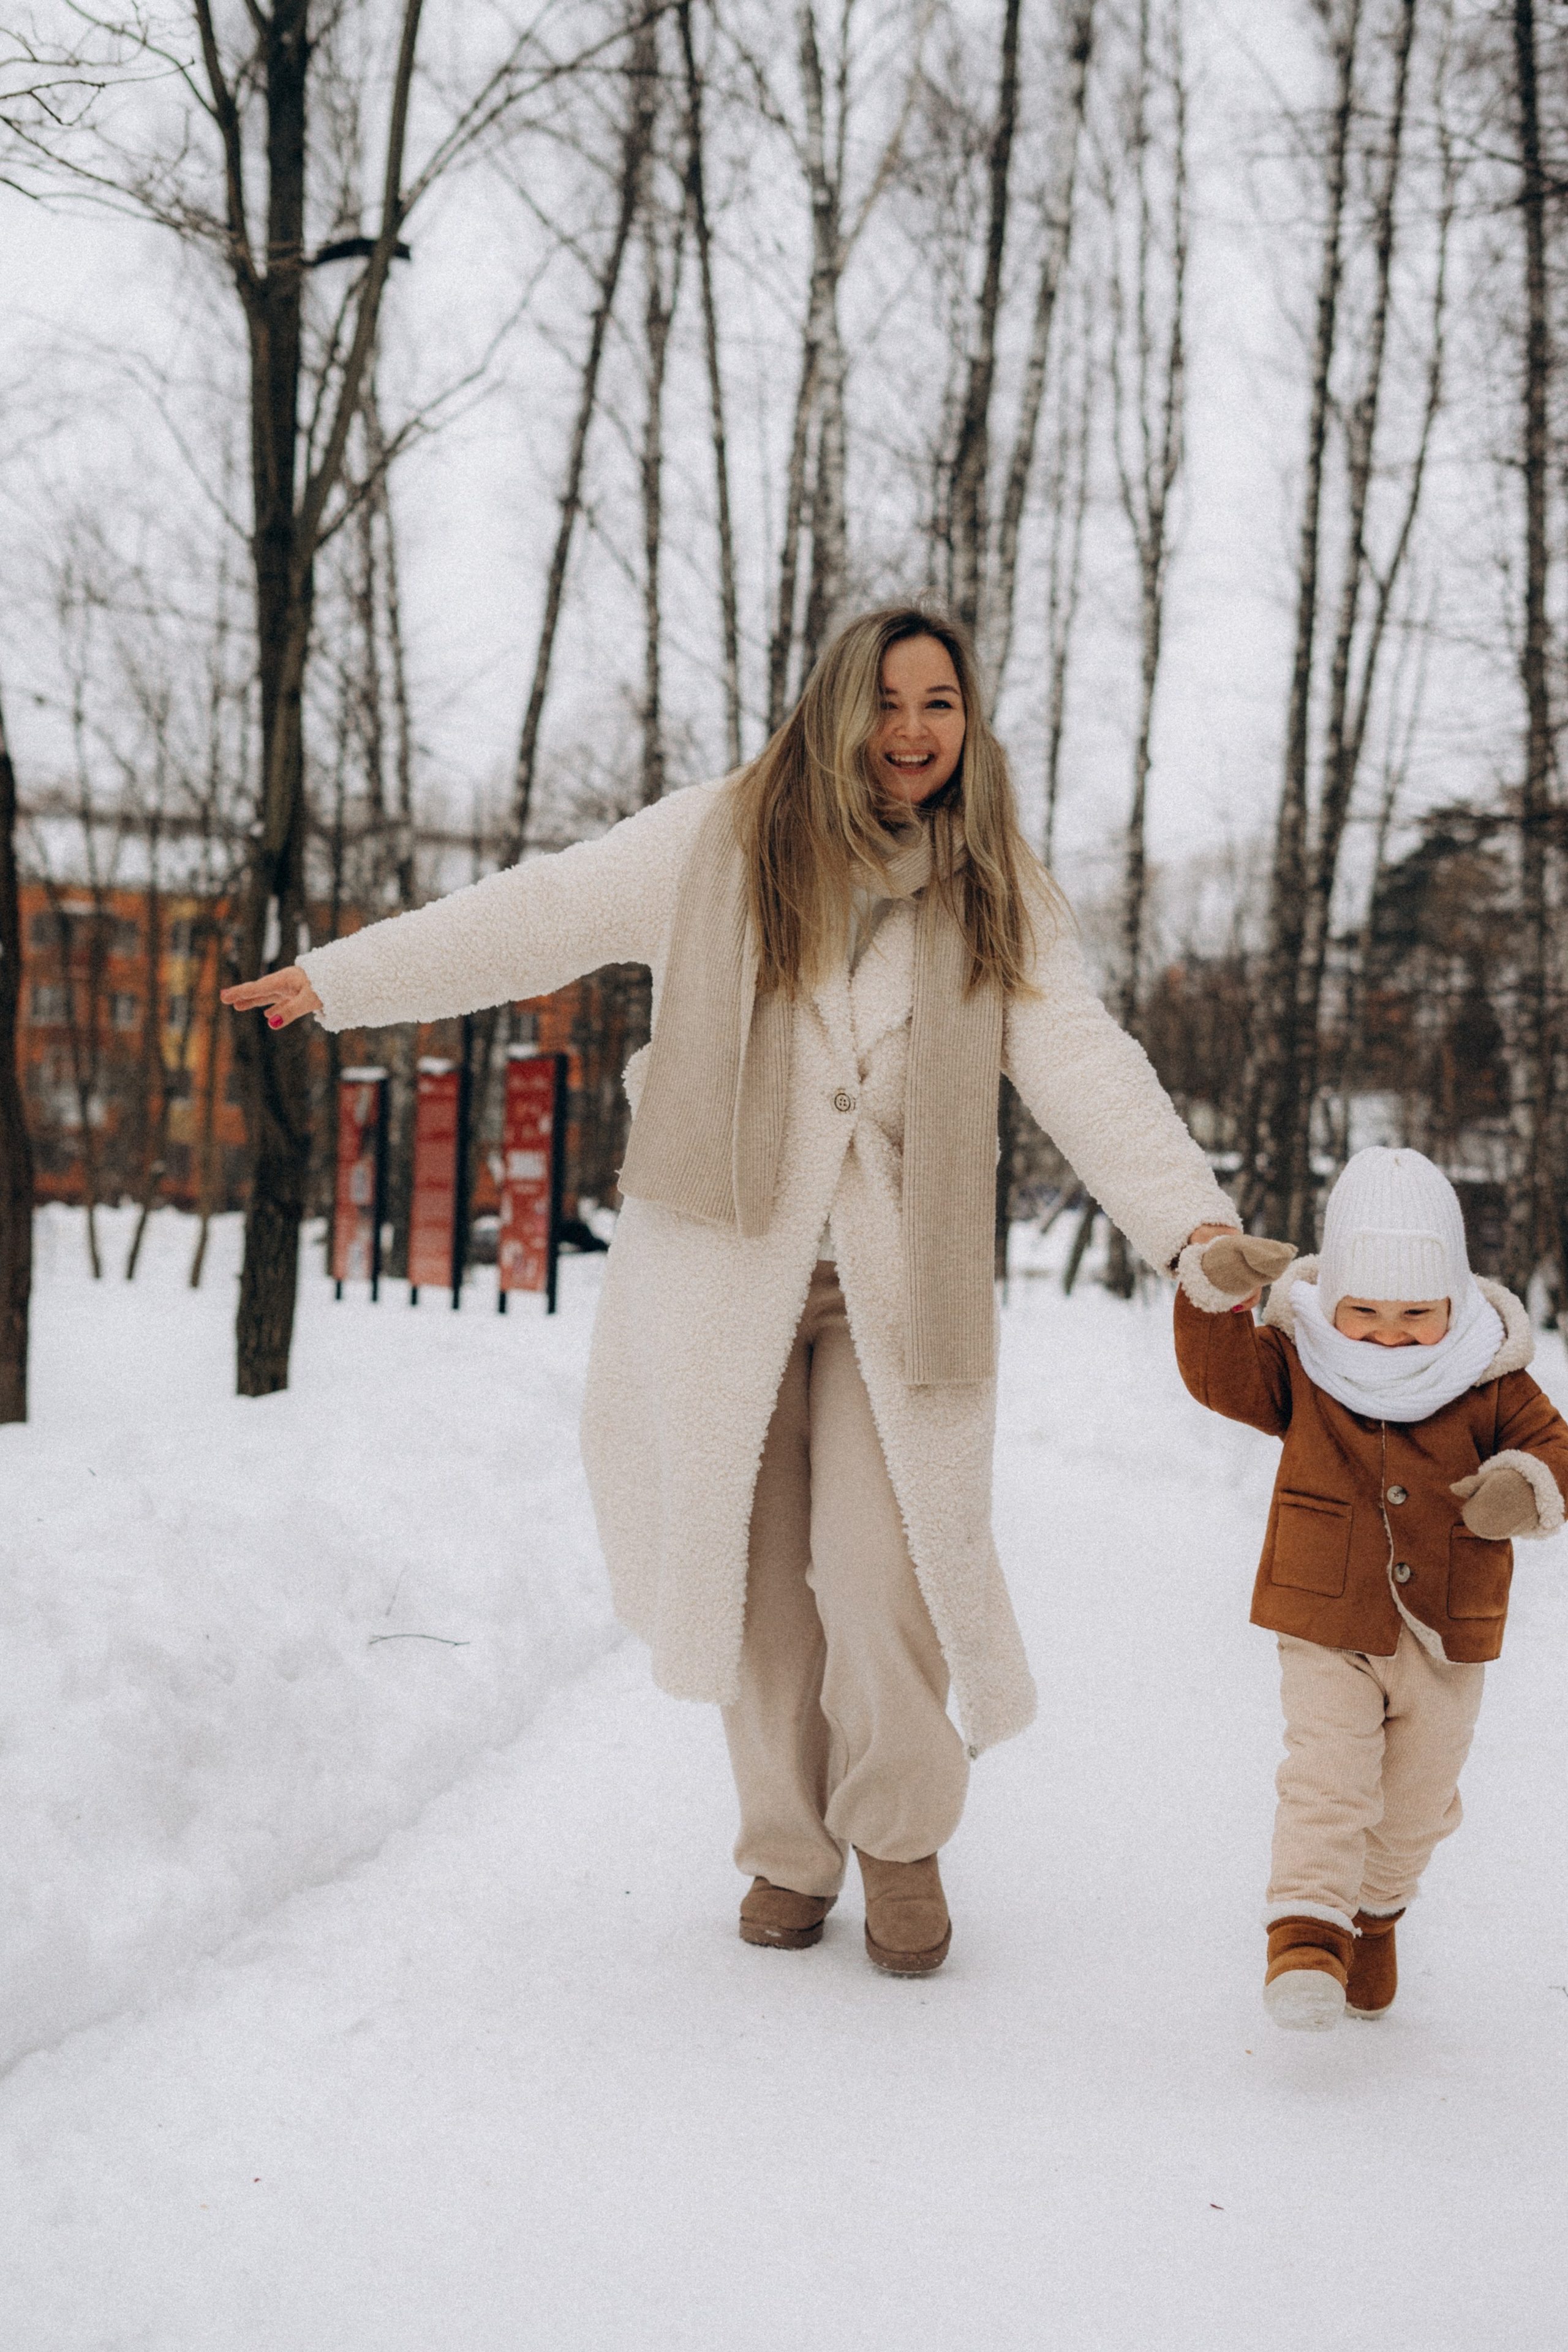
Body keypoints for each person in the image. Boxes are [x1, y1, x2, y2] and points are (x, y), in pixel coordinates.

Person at [225, 604, 1238, 1975]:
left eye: (939, 703)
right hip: (723, 1265)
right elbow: (537, 915)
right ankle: (785, 1849)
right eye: (886, 701)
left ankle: (895, 1836)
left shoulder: (992, 879)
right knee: (759, 1585)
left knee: (877, 1568)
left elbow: (1082, 1063)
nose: (910, 732)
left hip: (897, 1277)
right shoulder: (719, 837)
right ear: (834, 708)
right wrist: (342, 979)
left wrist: (1190, 1228)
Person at [1174, 1147, 1568, 2029]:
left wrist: (1522, 1487)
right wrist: (1216, 1295)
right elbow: (1221, 1378)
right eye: (1366, 1313)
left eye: (1416, 1315)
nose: (1389, 1334)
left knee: (1418, 1801)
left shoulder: (1490, 1370)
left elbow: (1555, 1453)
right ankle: (1306, 1935)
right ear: (1335, 1297)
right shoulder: (1303, 1357)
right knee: (1328, 1776)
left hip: (1448, 1631)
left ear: (1455, 1301)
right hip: (1327, 1613)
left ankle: (1376, 1916)